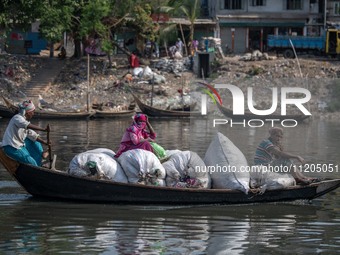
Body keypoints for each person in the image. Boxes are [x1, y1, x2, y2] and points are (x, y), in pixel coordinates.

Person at [254, 127, 321, 185]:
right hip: (262, 168)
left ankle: (304, 178)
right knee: (286, 160)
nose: (279, 139)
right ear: (272, 135)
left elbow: (279, 158)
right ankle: (298, 179)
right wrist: (297, 157)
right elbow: (281, 155)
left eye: (280, 137)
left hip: (267, 166)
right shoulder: (266, 142)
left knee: (288, 161)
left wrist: (281, 149)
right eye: (277, 136)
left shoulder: (271, 145)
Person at [2, 100, 51, 167]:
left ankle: (41, 154)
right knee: (32, 162)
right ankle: (36, 171)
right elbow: (27, 125)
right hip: (12, 147)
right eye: (32, 112)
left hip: (19, 145)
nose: (33, 114)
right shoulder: (17, 118)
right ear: (28, 112)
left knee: (34, 140)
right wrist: (43, 129)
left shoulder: (23, 121)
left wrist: (45, 142)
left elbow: (32, 134)